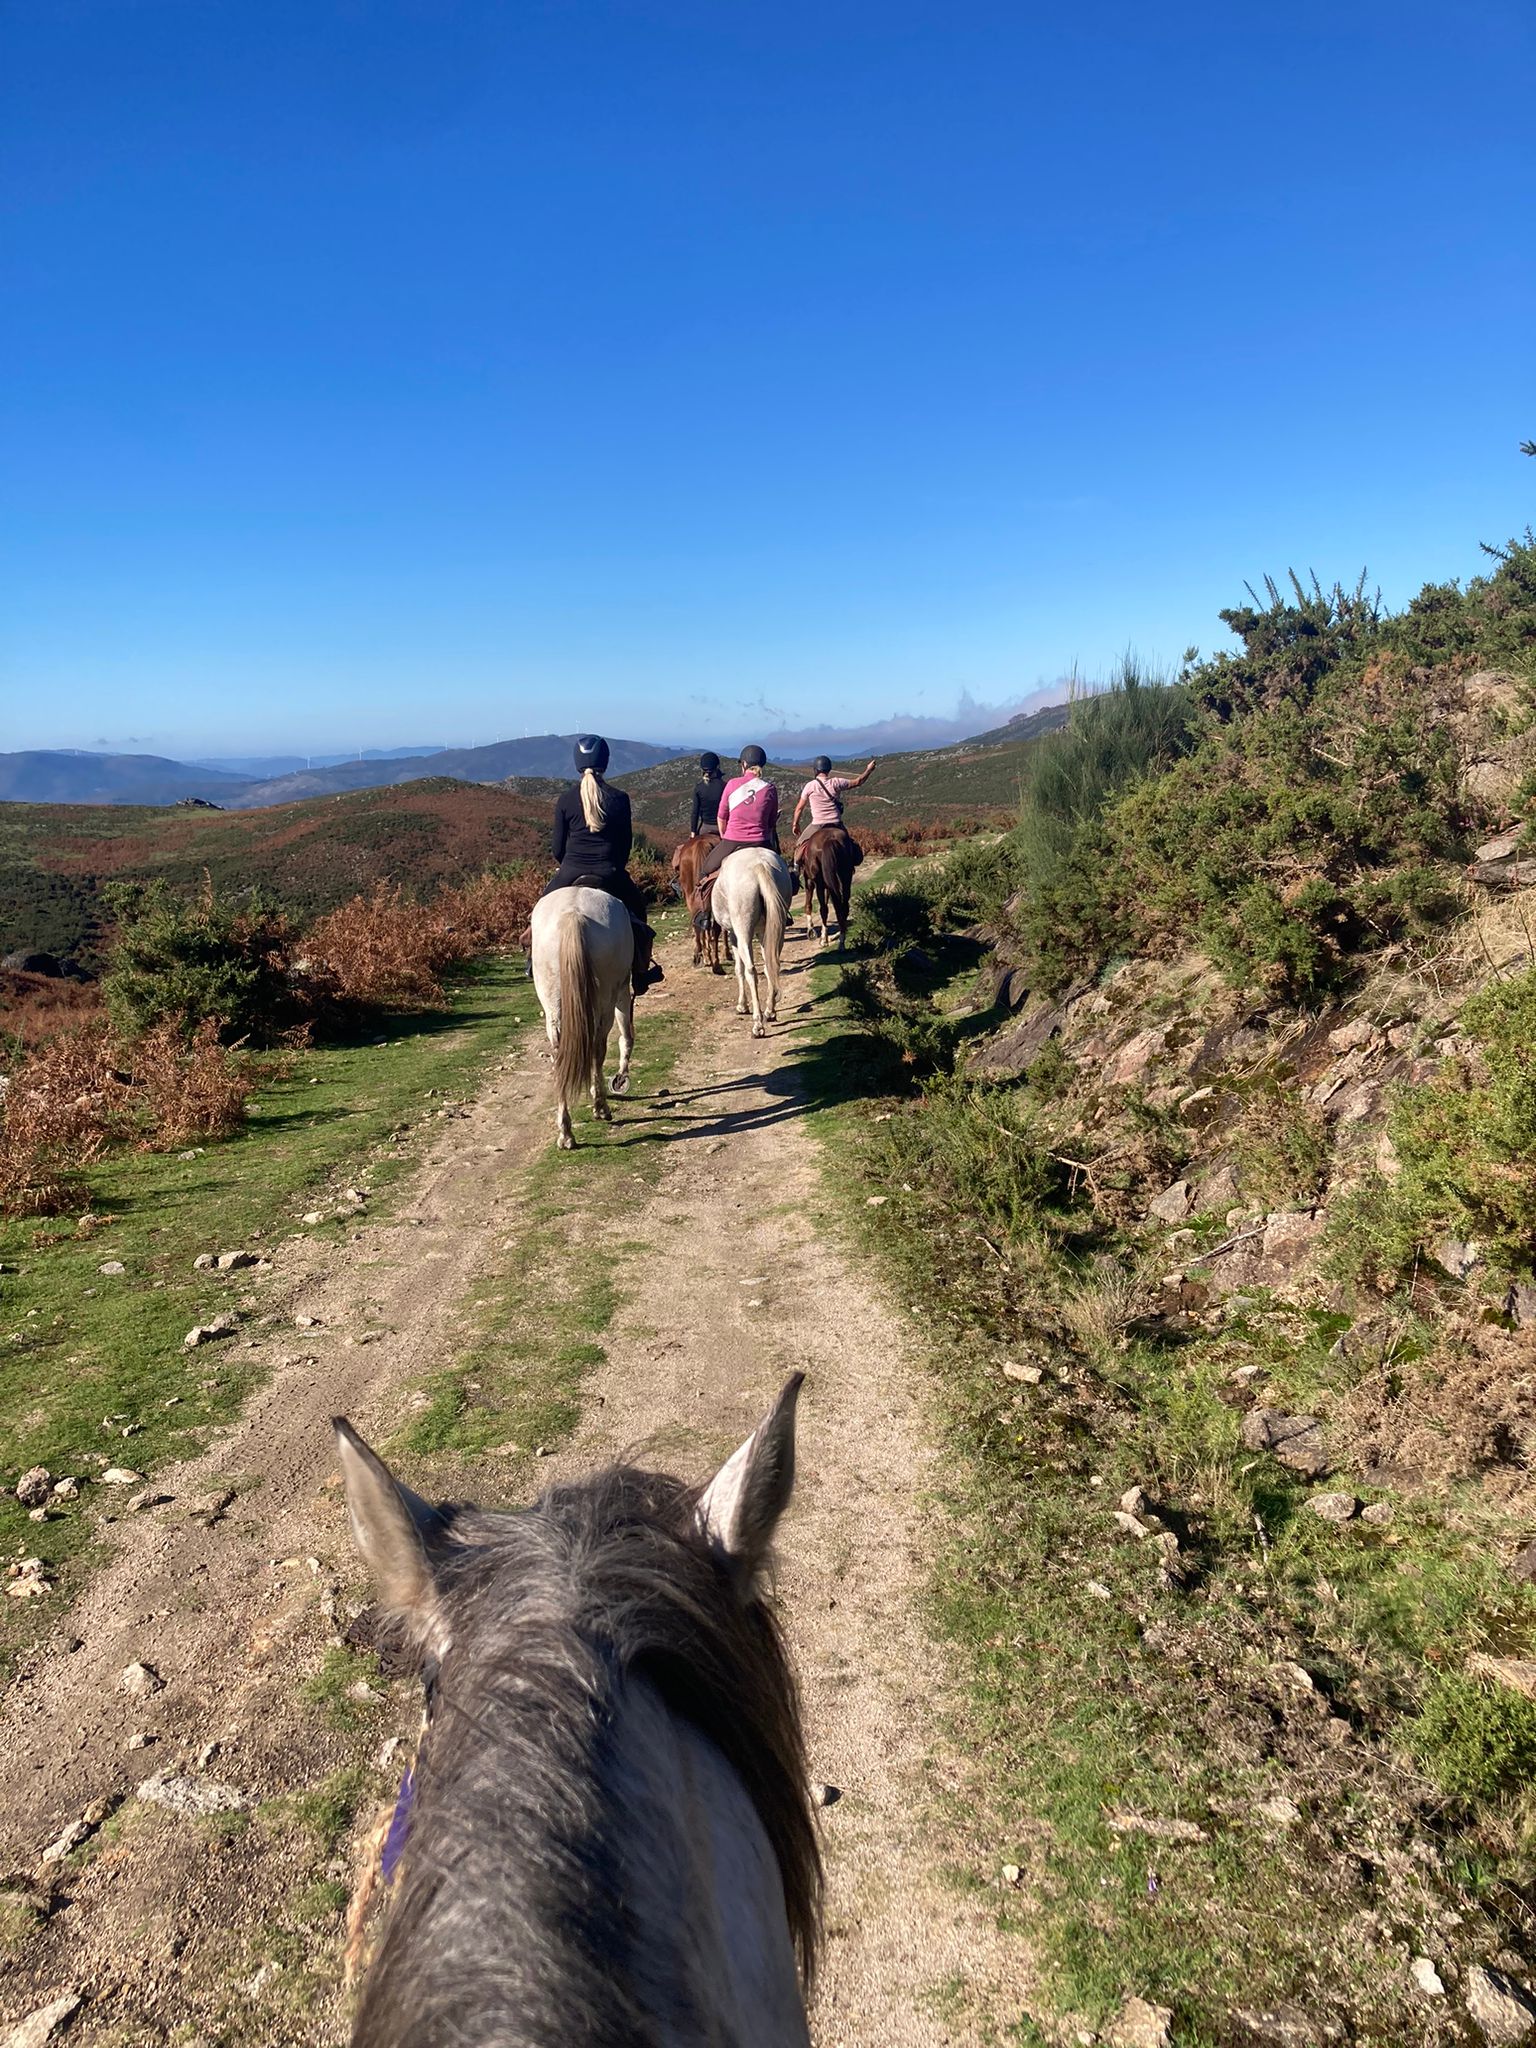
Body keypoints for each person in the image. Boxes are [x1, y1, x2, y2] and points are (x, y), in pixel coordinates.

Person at [538, 735, 662, 993]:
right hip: (610, 872)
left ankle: (532, 960)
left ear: (577, 762)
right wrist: (614, 865)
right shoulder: (620, 798)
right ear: (605, 761)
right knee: (638, 912)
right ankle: (640, 972)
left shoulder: (565, 800)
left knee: (539, 913)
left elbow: (557, 848)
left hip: (570, 871)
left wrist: (569, 865)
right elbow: (625, 846)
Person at [695, 746, 784, 885]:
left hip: (733, 840)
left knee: (705, 870)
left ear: (744, 764)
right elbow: (771, 822)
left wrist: (724, 837)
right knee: (782, 870)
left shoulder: (732, 784)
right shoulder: (770, 788)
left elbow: (721, 817)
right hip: (761, 841)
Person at [791, 755, 877, 850]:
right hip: (836, 824)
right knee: (853, 849)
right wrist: (869, 770)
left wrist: (795, 824)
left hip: (818, 824)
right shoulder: (836, 782)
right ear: (829, 769)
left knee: (799, 846)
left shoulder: (810, 786)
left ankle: (796, 859)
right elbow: (858, 781)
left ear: (815, 770)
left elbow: (799, 808)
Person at [688, 752, 727, 837]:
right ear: (717, 767)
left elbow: (695, 813)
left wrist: (693, 833)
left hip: (705, 828)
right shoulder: (725, 786)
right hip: (722, 827)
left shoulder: (699, 788)